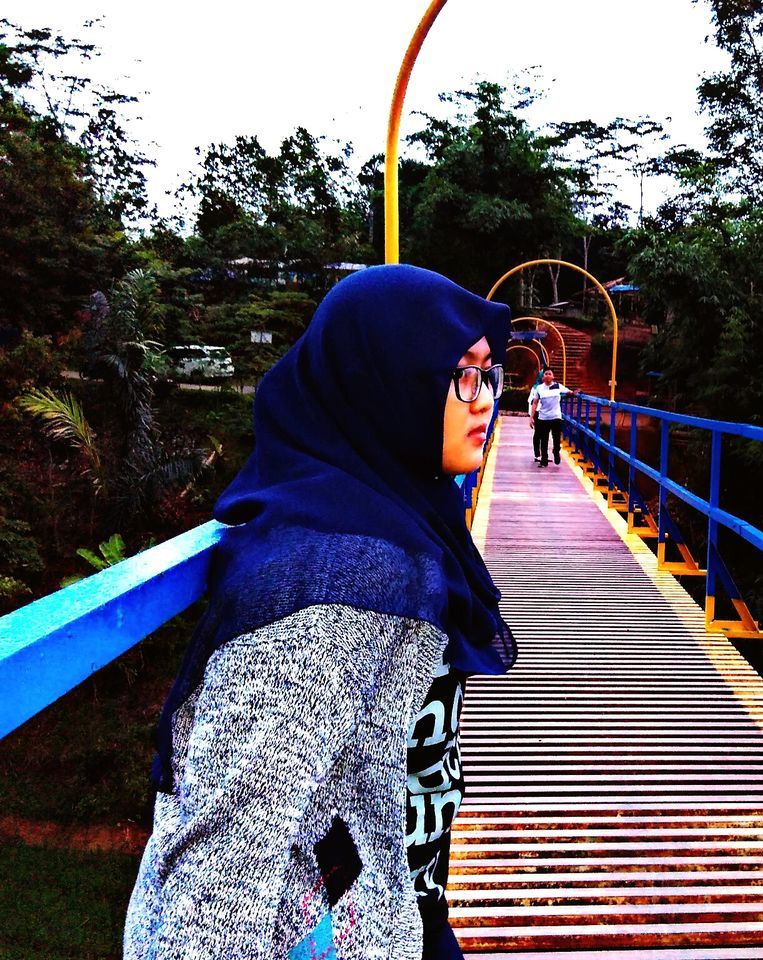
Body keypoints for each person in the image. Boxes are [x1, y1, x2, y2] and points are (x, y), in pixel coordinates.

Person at [123, 265, 516, 960]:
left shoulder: (405, 512)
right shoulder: (335, 580)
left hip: (400, 904)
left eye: (489, 374)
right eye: (458, 375)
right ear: (385, 384)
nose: (482, 399)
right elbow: (222, 869)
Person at [527, 366, 573, 467]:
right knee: (544, 439)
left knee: (556, 439)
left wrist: (574, 393)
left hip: (556, 417)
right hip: (543, 417)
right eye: (546, 373)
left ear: (553, 376)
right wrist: (531, 417)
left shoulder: (558, 386)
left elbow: (569, 392)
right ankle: (544, 460)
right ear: (543, 377)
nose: (547, 375)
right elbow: (535, 403)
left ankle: (556, 452)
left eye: (550, 374)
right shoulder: (539, 388)